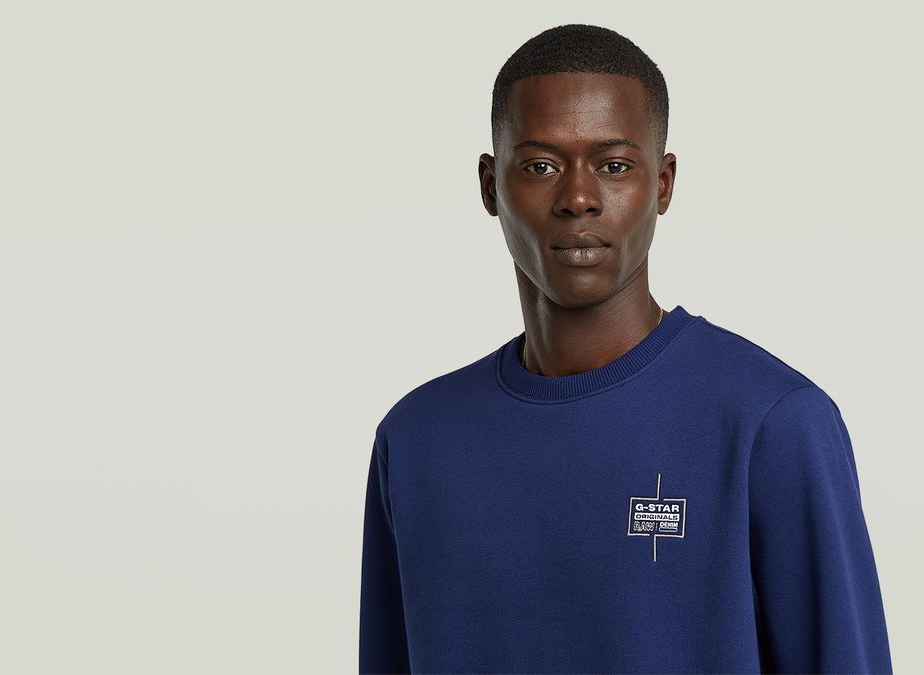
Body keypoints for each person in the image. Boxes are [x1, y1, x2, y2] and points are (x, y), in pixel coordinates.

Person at [358, 24, 893, 674]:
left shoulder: (774, 425)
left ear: (663, 184)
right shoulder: (416, 440)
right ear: (490, 186)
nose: (579, 199)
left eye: (613, 166)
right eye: (541, 166)